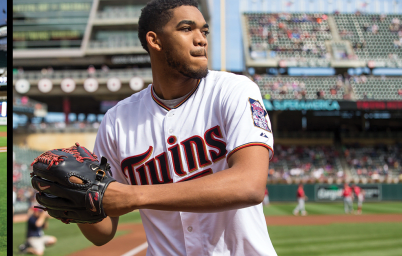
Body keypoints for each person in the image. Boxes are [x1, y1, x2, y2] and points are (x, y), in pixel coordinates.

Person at [70, 0, 277, 254]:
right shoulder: (116, 121)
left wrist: (135, 196)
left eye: (204, 31)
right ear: (155, 41)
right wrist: (75, 199)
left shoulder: (233, 90)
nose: (201, 39)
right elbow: (102, 233)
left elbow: (249, 184)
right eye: (187, 28)